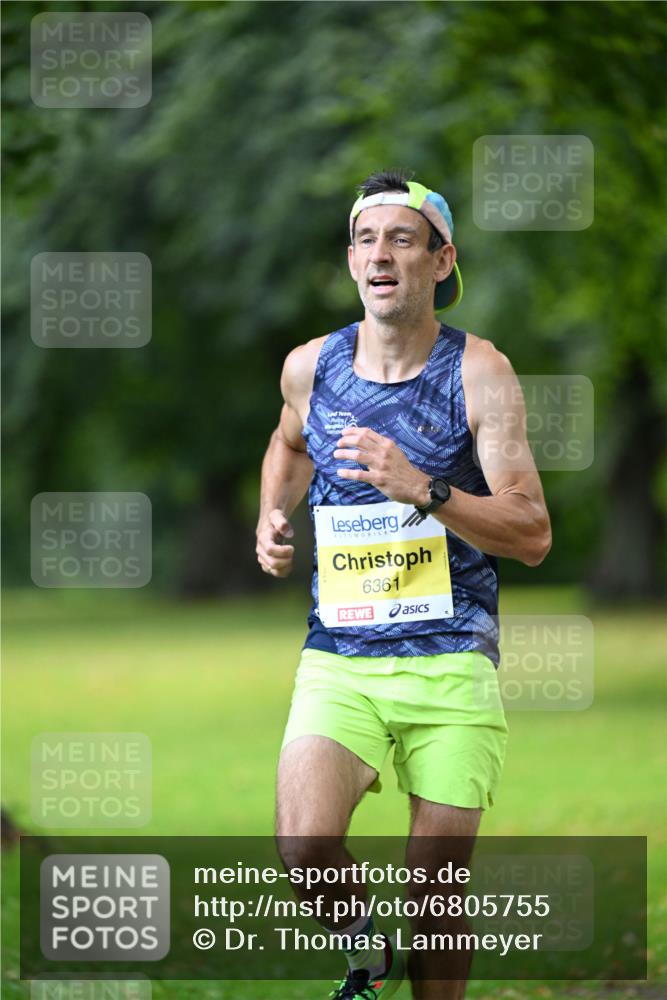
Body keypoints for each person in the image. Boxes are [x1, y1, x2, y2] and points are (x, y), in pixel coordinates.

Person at [255, 170, 551, 999]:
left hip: (451, 661)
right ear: (351, 261)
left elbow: (531, 532)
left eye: (401, 238)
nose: (379, 253)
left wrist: (424, 487)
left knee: (435, 886)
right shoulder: (310, 368)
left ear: (440, 259)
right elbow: (286, 444)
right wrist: (269, 520)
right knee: (304, 844)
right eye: (364, 238)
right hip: (340, 657)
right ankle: (364, 947)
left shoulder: (478, 372)